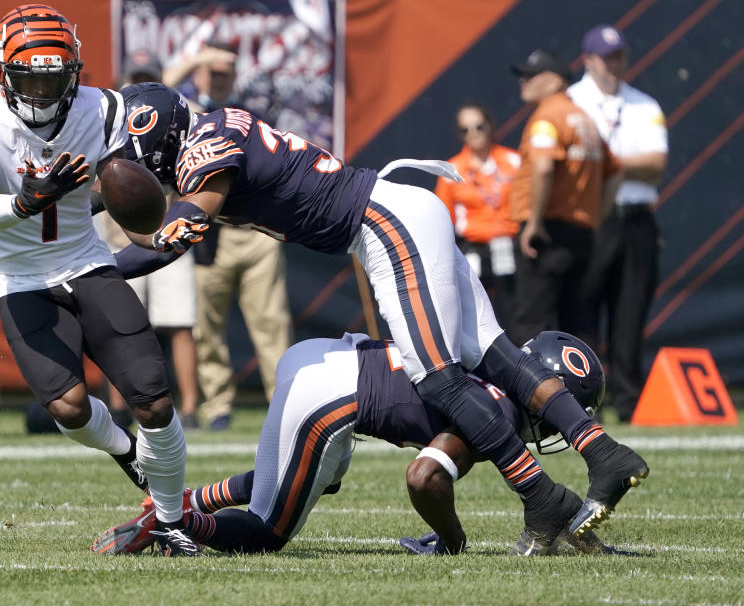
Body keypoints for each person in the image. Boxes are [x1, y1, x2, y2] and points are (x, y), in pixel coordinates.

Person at [112, 82, 648, 548]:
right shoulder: (213, 127)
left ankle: (542, 495)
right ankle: (604, 453)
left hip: (381, 223)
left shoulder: (206, 150)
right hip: (397, 211)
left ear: (158, 141)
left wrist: (92, 272)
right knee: (496, 356)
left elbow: (172, 238)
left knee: (438, 379)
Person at [0, 5, 198, 556]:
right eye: (28, 77)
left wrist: (157, 235)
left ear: (73, 72)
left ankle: (174, 524)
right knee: (69, 408)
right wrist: (29, 198)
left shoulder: (102, 108)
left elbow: (123, 195)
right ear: (0, 74)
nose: (41, 90)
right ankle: (127, 453)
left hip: (85, 261)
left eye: (53, 78)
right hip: (17, 276)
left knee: (154, 400)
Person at [93, 331, 620, 557]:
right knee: (268, 531)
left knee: (312, 475)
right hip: (335, 398)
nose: (556, 421)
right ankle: (175, 525)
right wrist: (453, 540)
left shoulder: (488, 356)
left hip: (320, 355)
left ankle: (190, 502)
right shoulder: (500, 407)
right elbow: (425, 476)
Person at [164, 45, 294, 431]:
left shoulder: (252, 111)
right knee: (207, 326)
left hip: (254, 231)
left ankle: (284, 401)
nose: (218, 79)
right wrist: (194, 60)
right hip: (207, 230)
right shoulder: (186, 111)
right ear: (199, 75)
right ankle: (217, 404)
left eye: (224, 74)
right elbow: (159, 87)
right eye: (211, 73)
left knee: (271, 322)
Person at [568, 26, 668, 424]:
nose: (614, 64)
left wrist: (603, 163)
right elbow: (571, 164)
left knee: (630, 312)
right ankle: (582, 400)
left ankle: (627, 402)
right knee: (582, 311)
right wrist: (626, 165)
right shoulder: (571, 102)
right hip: (590, 219)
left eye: (619, 56)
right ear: (588, 60)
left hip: (635, 220)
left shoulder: (644, 104)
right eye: (606, 57)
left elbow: (655, 166)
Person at [99, 51, 202, 430]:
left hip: (169, 230)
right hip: (118, 234)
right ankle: (119, 407)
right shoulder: (107, 121)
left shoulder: (178, 114)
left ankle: (189, 407)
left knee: (179, 324)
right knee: (116, 325)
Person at [508, 49, 618, 347]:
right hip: (582, 234)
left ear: (555, 80)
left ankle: (528, 393)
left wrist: (533, 223)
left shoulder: (547, 117)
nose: (523, 82)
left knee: (531, 322)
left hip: (547, 233)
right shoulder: (586, 121)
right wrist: (597, 216)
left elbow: (543, 168)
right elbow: (614, 172)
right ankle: (583, 392)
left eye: (531, 75)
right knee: (577, 322)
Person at [436, 103, 520, 329]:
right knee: (474, 312)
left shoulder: (513, 161)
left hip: (509, 245)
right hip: (472, 247)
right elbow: (444, 219)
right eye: (466, 130)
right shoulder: (451, 170)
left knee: (512, 308)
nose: (473, 134)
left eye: (478, 126)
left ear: (490, 125)